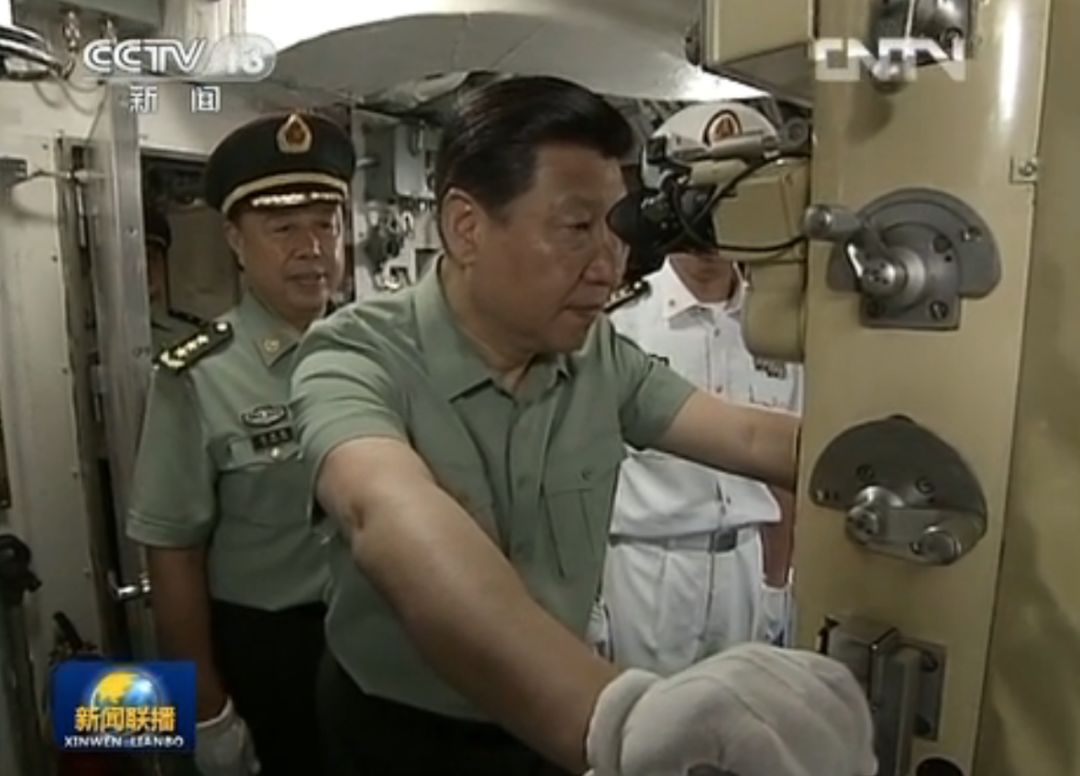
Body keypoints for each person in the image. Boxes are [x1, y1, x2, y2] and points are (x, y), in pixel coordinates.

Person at [290, 76, 875, 776]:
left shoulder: (597, 356)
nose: (609, 265)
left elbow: (749, 438)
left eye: (614, 229)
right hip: (406, 735)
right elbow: (387, 513)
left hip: (554, 728)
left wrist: (903, 465)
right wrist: (620, 719)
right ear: (467, 227)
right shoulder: (354, 356)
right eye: (575, 229)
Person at [126, 111, 355, 776]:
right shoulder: (197, 377)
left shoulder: (381, 350)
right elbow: (173, 551)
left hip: (380, 642)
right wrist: (207, 711)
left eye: (326, 224)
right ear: (235, 239)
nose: (311, 247)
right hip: (271, 653)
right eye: (283, 229)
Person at [589, 103, 802, 675]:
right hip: (646, 571)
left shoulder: (782, 329)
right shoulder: (619, 326)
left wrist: (776, 585)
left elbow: (787, 479)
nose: (711, 225)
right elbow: (587, 470)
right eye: (699, 201)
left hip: (744, 568)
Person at [143, 201, 205, 352]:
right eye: (130, 260)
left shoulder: (192, 336)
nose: (144, 268)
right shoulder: (89, 339)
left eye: (151, 258)